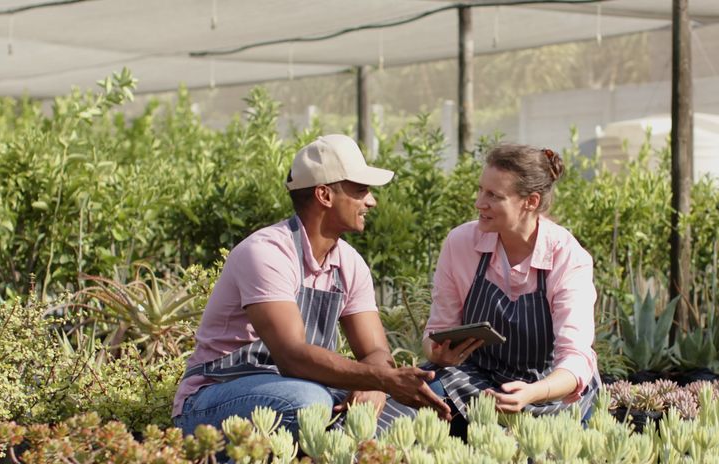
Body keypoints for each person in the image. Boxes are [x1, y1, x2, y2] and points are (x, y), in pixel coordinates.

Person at [172, 134, 450, 437]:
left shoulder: (350, 263)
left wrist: (376, 387)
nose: (371, 201)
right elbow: (291, 356)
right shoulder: (267, 253)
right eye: (360, 190)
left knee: (407, 419)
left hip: (300, 390)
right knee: (310, 404)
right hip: (215, 396)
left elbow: (375, 351)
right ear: (324, 195)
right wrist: (379, 380)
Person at [420, 143, 601, 422]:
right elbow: (438, 329)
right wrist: (440, 354)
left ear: (531, 202)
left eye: (494, 195)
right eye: (480, 190)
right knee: (426, 389)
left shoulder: (568, 257)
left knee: (545, 454)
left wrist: (532, 392)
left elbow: (575, 358)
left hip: (549, 388)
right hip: (479, 380)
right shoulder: (460, 244)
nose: (479, 202)